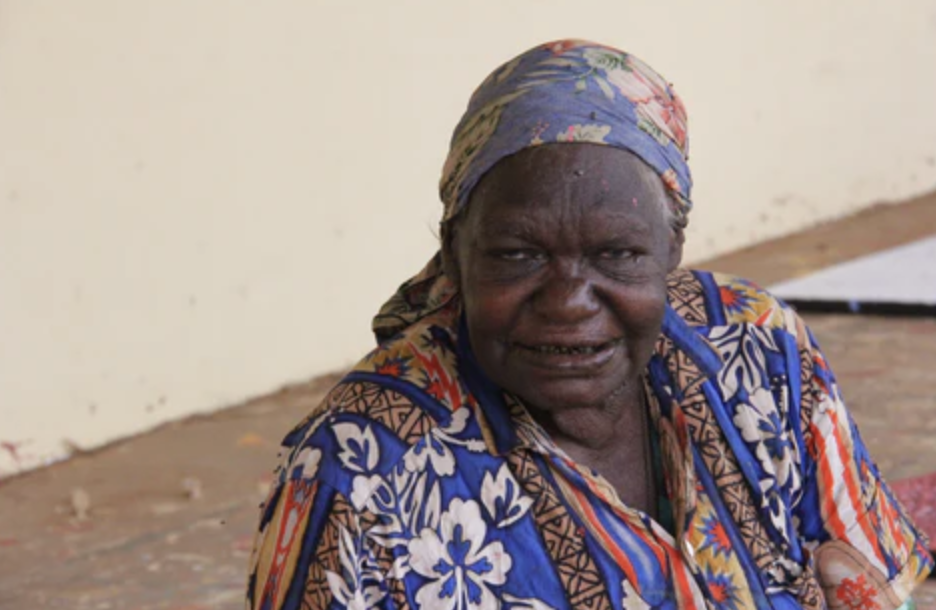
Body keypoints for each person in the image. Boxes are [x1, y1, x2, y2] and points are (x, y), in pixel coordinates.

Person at [246, 40, 932, 610]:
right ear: (454, 254)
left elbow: (868, 584)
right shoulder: (359, 471)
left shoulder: (754, 345)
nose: (570, 301)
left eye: (617, 254)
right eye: (518, 254)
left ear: (672, 249)